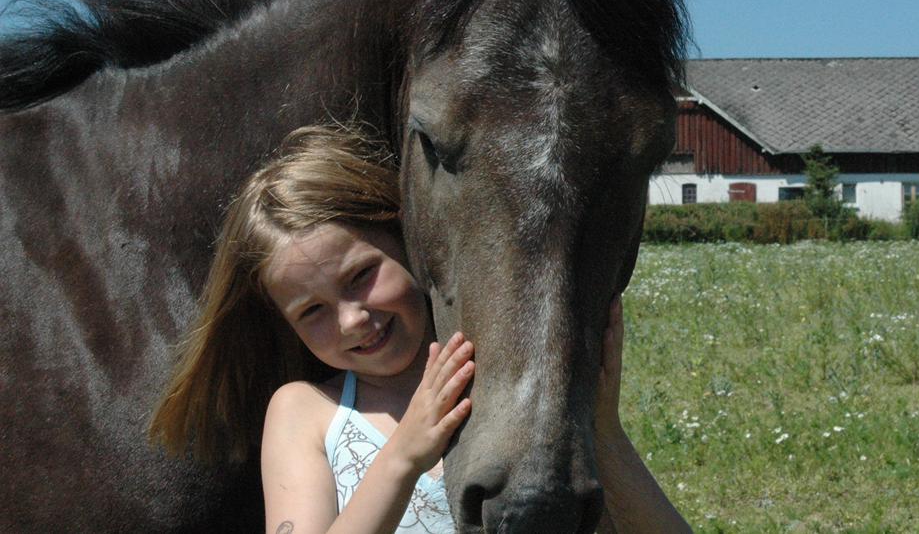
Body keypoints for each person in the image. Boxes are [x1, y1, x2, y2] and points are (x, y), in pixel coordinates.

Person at [150, 123, 689, 534]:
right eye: (311, 312)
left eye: (361, 276)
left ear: (409, 238)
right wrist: (403, 457)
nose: (352, 318)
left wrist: (605, 433)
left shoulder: (505, 386)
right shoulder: (306, 413)